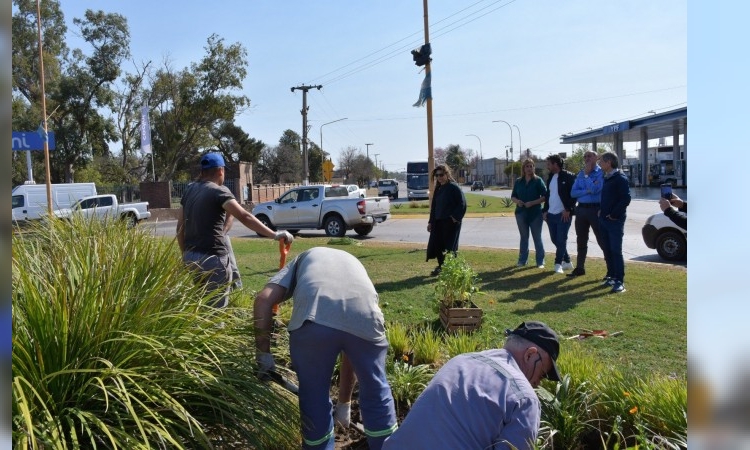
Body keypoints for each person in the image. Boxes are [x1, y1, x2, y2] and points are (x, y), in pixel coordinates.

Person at [254, 247, 398, 450]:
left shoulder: (300, 260)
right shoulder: (349, 261)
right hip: (365, 315)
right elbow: (350, 341)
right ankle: (388, 445)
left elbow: (263, 300)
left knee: (314, 400)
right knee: (377, 392)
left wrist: (263, 355)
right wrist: (344, 404)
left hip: (314, 321)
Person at [382, 321, 561, 450]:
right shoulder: (525, 398)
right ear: (530, 355)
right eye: (543, 373)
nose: (538, 382)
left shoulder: (461, 361)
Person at [177, 152, 293, 307]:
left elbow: (180, 227)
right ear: (220, 171)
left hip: (191, 257)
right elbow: (245, 216)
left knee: (202, 306)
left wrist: (185, 254)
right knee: (216, 311)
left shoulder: (189, 191)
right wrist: (275, 234)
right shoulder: (218, 191)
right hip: (213, 259)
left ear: (203, 171)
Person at [567, 150, 607, 277]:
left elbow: (595, 190)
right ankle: (580, 268)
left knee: (601, 239)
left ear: (596, 157)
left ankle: (611, 269)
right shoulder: (580, 174)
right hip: (581, 210)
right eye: (585, 156)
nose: (587, 158)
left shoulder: (601, 173)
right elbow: (573, 193)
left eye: (589, 156)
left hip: (595, 210)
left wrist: (587, 177)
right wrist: (587, 189)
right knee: (581, 239)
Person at [598, 151, 632, 294]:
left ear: (609, 162)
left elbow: (626, 199)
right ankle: (612, 275)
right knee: (608, 249)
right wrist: (602, 211)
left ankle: (620, 281)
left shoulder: (620, 178)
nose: (600, 164)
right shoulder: (607, 177)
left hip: (615, 221)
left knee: (616, 251)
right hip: (604, 220)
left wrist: (613, 214)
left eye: (602, 162)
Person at [426, 164, 467, 276]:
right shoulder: (438, 189)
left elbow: (462, 204)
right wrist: (430, 222)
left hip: (450, 223)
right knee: (438, 245)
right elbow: (434, 207)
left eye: (441, 175)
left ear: (447, 174)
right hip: (438, 222)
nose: (439, 177)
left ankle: (450, 268)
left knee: (450, 246)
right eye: (437, 175)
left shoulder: (454, 188)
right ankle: (441, 266)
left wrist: (455, 217)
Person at [542, 154, 576, 274]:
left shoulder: (569, 176)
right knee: (554, 239)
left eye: (549, 164)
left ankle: (558, 264)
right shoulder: (551, 177)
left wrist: (568, 210)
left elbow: (574, 196)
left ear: (555, 164)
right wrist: (545, 210)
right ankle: (567, 261)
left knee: (561, 240)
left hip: (564, 215)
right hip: (551, 214)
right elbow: (548, 195)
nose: (547, 166)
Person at [510, 159, 547, 268]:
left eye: (531, 166)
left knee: (537, 237)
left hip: (535, 213)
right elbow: (513, 196)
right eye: (527, 166)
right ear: (524, 168)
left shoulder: (538, 181)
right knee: (524, 237)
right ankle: (522, 260)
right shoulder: (518, 181)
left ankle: (540, 261)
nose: (529, 168)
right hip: (521, 213)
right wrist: (518, 202)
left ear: (534, 168)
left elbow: (545, 197)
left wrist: (533, 203)